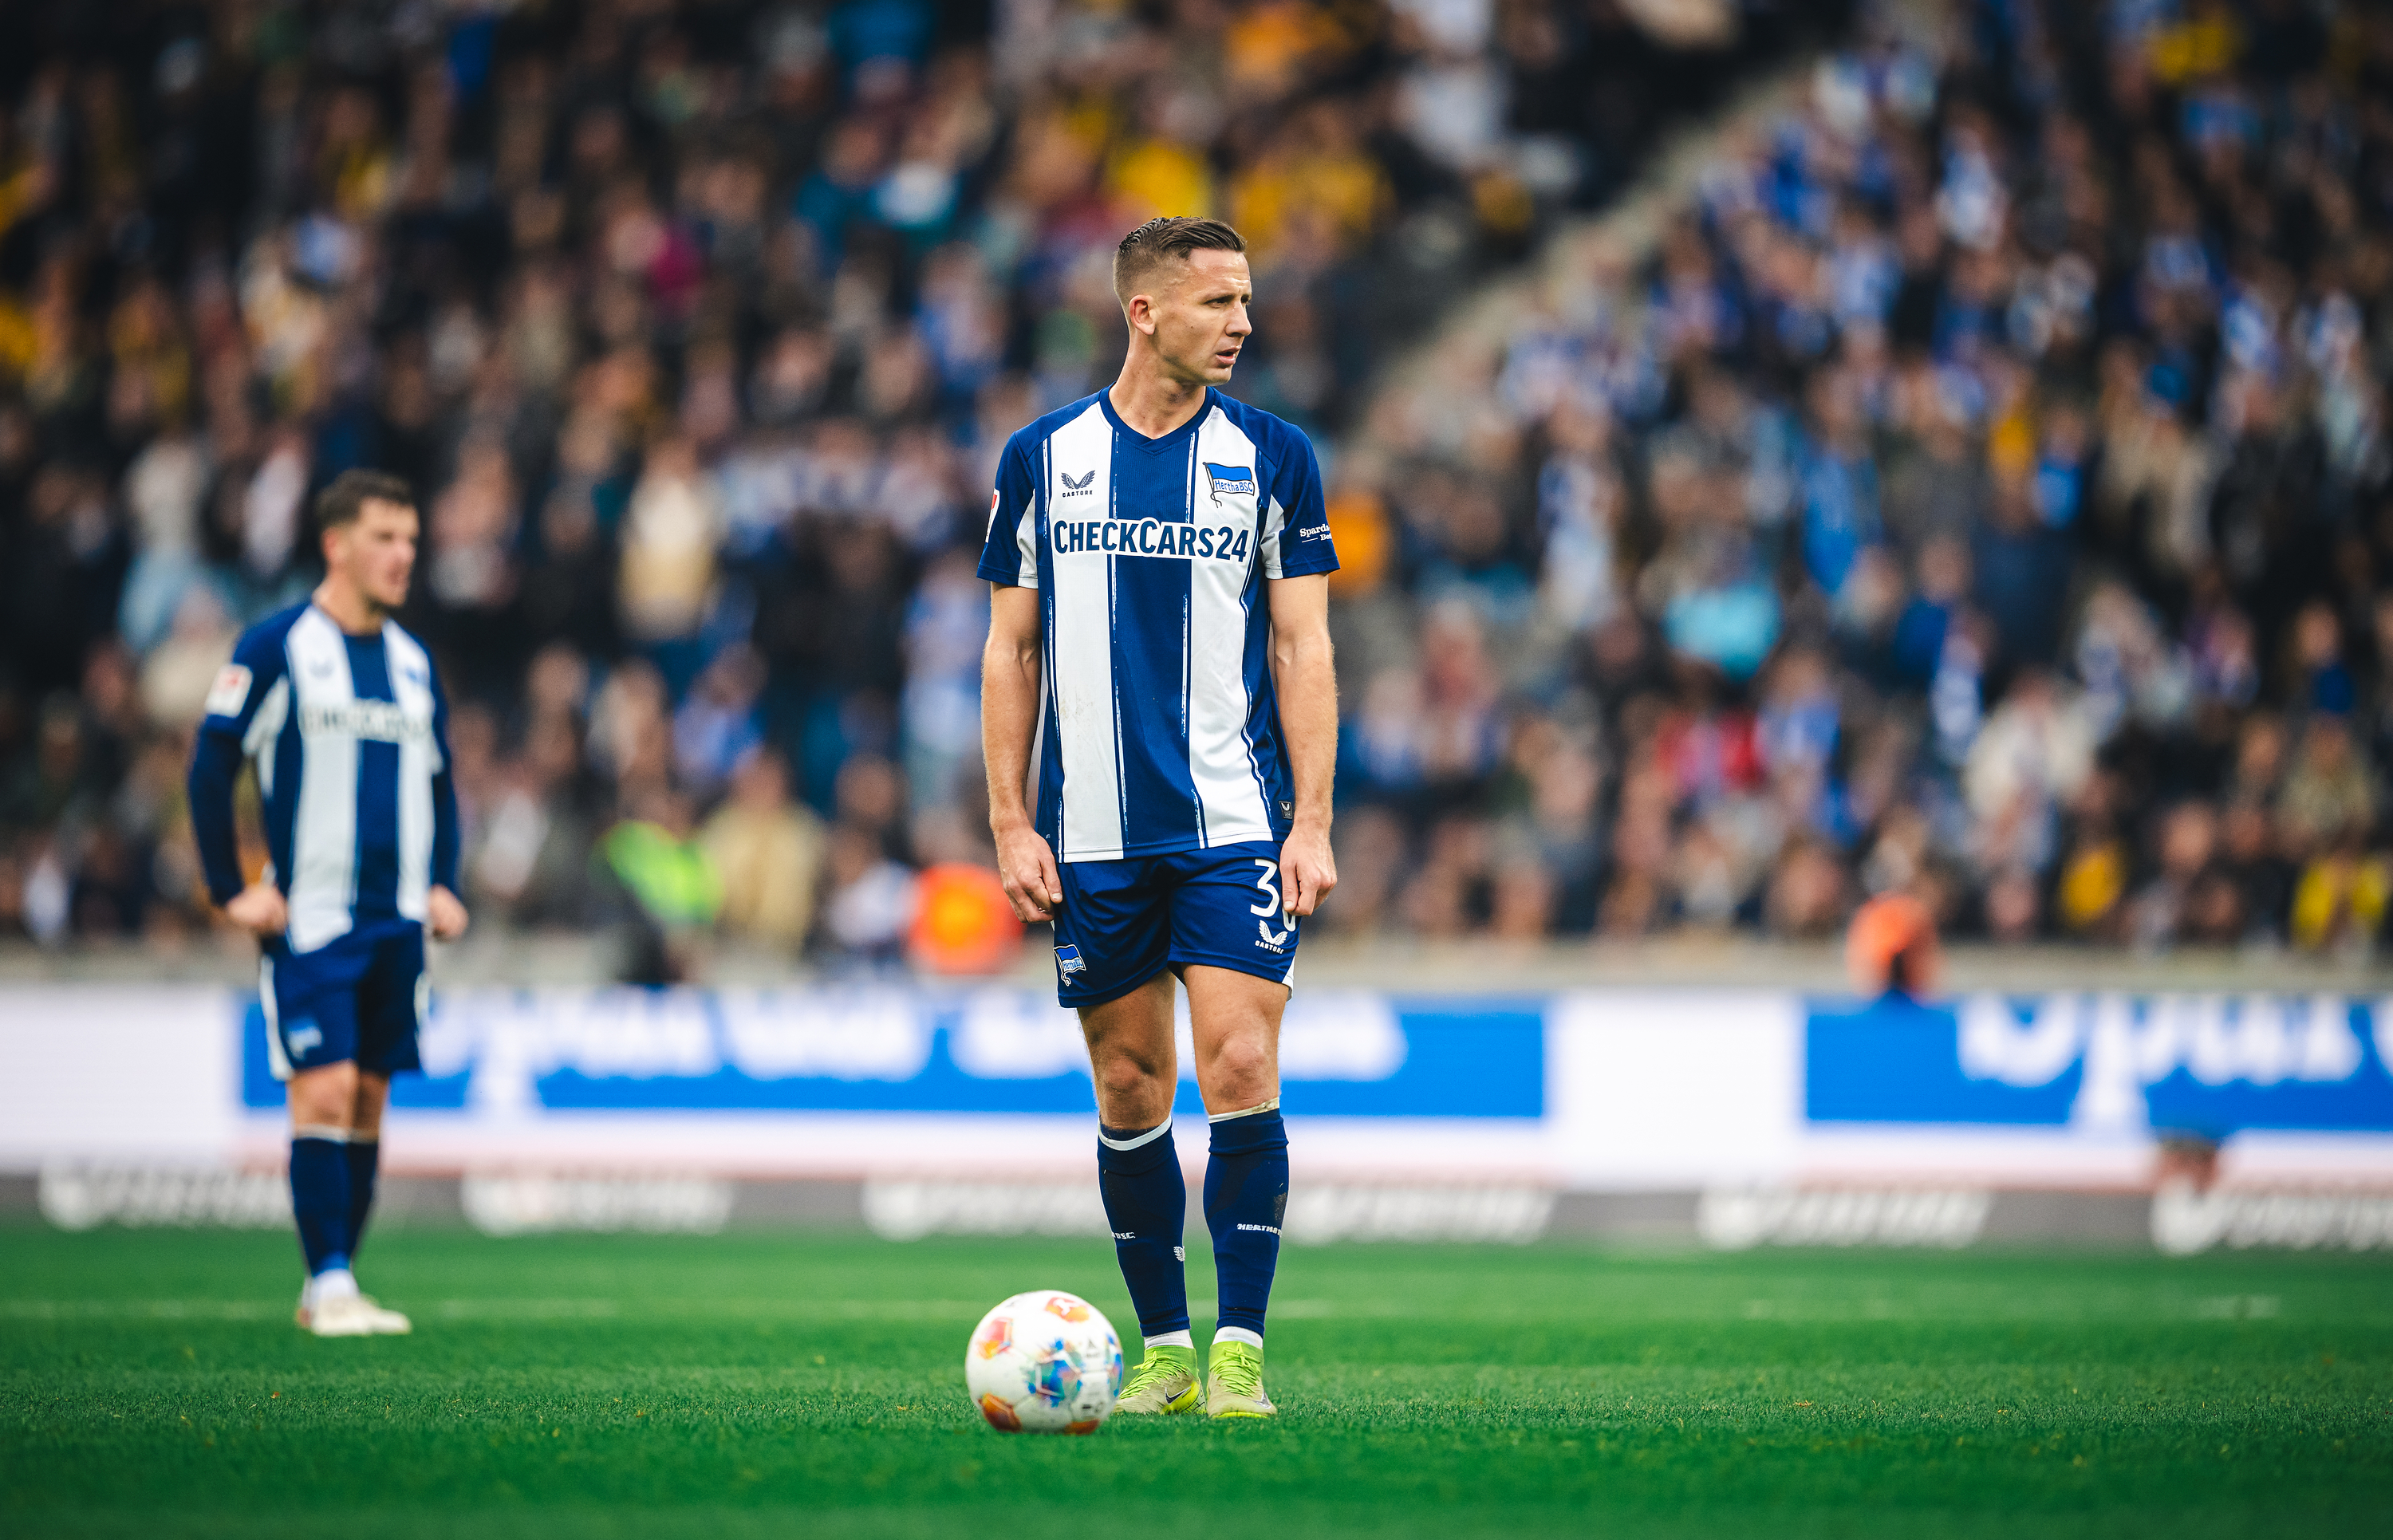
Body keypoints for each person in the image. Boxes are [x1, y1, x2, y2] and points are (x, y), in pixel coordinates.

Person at [979, 216, 1340, 1419]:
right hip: (1090, 835)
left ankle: (1240, 1347)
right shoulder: (1042, 456)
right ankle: (1167, 1350)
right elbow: (1010, 648)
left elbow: (1303, 642)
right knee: (1132, 1086)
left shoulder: (1275, 456)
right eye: (1217, 302)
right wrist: (1007, 821)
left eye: (1246, 300)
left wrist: (1316, 819)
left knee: (1240, 1058)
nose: (1243, 323)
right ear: (1145, 312)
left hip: (1235, 819)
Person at [186, 470, 468, 1337]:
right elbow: (210, 762)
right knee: (327, 1083)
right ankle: (330, 1278)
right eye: (386, 537)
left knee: (370, 1096)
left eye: (412, 540)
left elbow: (441, 785)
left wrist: (444, 881)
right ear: (336, 544)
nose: (403, 556)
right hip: (312, 916)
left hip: (396, 919)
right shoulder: (276, 647)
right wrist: (232, 888)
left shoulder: (414, 663)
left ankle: (335, 1280)